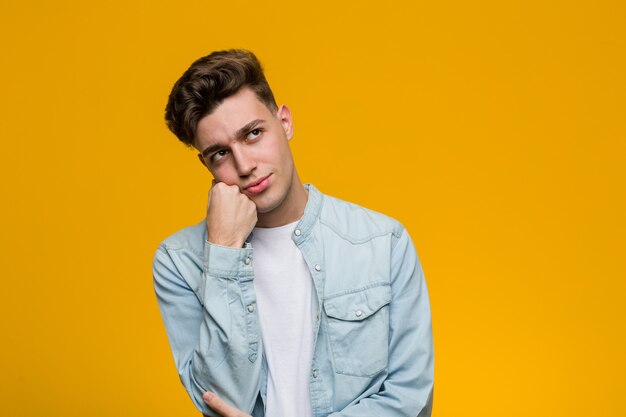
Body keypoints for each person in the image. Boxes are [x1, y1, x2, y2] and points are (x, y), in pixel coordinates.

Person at [153, 49, 434, 417]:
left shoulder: (382, 242)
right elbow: (220, 401)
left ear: (284, 122)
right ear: (205, 164)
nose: (245, 165)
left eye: (253, 134)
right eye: (220, 154)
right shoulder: (179, 262)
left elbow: (409, 400)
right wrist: (223, 252)